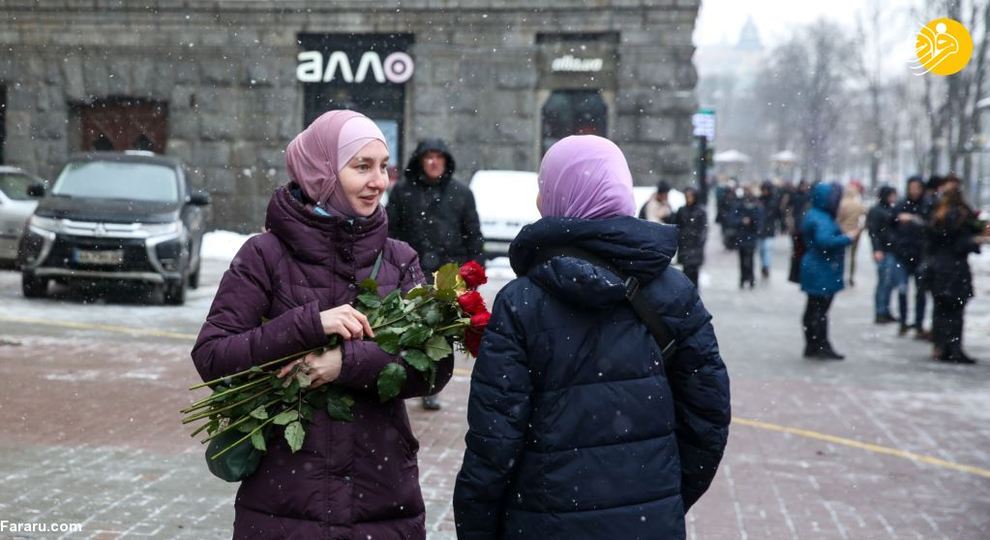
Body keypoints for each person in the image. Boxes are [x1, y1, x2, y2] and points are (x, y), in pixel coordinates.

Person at [191, 110, 454, 539]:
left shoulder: (399, 259)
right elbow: (214, 357)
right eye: (362, 167)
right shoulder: (265, 256)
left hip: (381, 500)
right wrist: (309, 324)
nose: (378, 181)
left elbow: (432, 368)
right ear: (322, 171)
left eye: (383, 167)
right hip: (284, 501)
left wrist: (344, 364)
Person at [453, 135, 730, 539]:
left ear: (557, 195)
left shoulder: (521, 302)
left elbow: (494, 440)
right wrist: (661, 495)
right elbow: (708, 417)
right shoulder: (674, 293)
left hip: (542, 522)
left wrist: (478, 526)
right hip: (647, 523)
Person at [386, 138, 483, 410]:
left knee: (443, 334)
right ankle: (411, 380)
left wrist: (473, 272)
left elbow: (473, 235)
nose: (433, 162)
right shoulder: (403, 192)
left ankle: (431, 385)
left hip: (450, 274)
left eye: (438, 157)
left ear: (446, 161)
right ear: (419, 160)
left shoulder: (461, 194)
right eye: (428, 157)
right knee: (411, 331)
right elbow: (390, 231)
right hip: (412, 272)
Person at [926, 177, 989, 363]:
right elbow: (959, 243)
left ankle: (940, 346)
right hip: (954, 268)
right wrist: (976, 239)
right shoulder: (959, 214)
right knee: (955, 309)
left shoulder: (937, 213)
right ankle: (953, 348)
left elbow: (933, 239)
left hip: (938, 266)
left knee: (941, 308)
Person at [800, 182, 861, 360]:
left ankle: (813, 344)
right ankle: (820, 344)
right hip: (822, 268)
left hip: (817, 267)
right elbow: (824, 241)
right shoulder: (822, 218)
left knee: (814, 308)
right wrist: (847, 238)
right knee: (819, 310)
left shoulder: (815, 214)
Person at [891, 176, 933, 339]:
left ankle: (918, 324)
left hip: (921, 254)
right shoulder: (901, 204)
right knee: (902, 290)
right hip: (902, 253)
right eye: (912, 188)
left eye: (917, 188)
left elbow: (931, 226)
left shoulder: (927, 205)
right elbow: (890, 224)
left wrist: (914, 220)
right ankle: (903, 322)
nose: (914, 191)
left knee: (920, 292)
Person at [866, 186, 898, 324]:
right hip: (884, 250)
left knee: (888, 282)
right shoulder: (877, 211)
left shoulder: (890, 209)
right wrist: (877, 249)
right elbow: (873, 232)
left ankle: (885, 310)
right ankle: (881, 311)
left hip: (890, 249)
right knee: (884, 282)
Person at [673, 187, 708, 286]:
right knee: (686, 272)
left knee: (694, 272)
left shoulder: (700, 211)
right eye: (687, 196)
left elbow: (704, 229)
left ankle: (694, 291)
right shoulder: (681, 210)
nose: (688, 199)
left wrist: (700, 241)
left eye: (690, 196)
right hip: (685, 246)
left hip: (695, 246)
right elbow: (676, 225)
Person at [836, 180, 867, 286]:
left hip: (842, 232)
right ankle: (851, 276)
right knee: (853, 256)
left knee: (841, 255)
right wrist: (860, 228)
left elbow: (838, 219)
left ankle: (840, 275)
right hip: (855, 232)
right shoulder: (858, 205)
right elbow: (866, 215)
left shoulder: (841, 204)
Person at [732, 186, 762, 289]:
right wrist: (742, 221)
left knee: (750, 259)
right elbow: (733, 220)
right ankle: (743, 278)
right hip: (742, 237)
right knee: (742, 259)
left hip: (750, 238)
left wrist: (751, 221)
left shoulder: (756, 207)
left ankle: (750, 278)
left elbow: (758, 224)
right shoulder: (739, 206)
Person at [757, 180, 779, 279]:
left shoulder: (773, 201)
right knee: (761, 249)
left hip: (769, 228)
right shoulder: (759, 200)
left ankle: (766, 266)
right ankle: (764, 264)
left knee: (767, 248)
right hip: (760, 228)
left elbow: (777, 214)